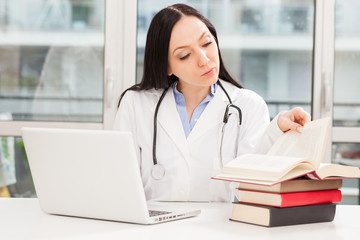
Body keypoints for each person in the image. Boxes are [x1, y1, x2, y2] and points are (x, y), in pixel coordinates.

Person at [113, 4, 311, 202]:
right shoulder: (135, 104)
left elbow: (247, 188)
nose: (204, 59)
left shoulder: (248, 105)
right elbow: (119, 186)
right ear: (166, 66)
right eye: (185, 55)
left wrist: (274, 131)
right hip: (153, 231)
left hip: (217, 231)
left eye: (206, 43)